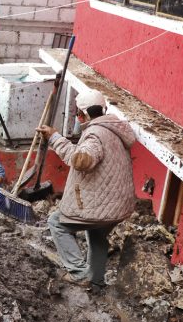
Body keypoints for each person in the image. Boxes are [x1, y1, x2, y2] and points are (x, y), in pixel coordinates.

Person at [36, 88, 136, 291]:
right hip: (119, 206)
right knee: (97, 234)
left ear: (82, 114)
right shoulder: (113, 129)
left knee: (56, 223)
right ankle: (97, 283)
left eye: (77, 114)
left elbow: (83, 160)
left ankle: (80, 273)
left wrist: (55, 138)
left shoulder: (95, 134)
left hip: (105, 205)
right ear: (103, 109)